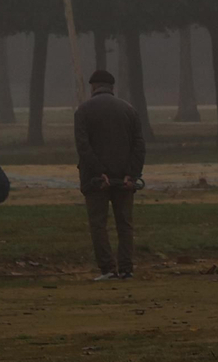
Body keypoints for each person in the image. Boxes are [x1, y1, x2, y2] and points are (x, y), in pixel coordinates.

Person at [73, 69, 146, 281]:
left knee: (98, 224)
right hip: (124, 179)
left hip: (96, 181)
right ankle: (127, 269)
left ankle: (107, 269)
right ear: (112, 87)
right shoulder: (129, 110)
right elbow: (139, 146)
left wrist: (99, 172)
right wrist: (131, 174)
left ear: (93, 87)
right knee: (125, 225)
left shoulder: (83, 111)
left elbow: (83, 147)